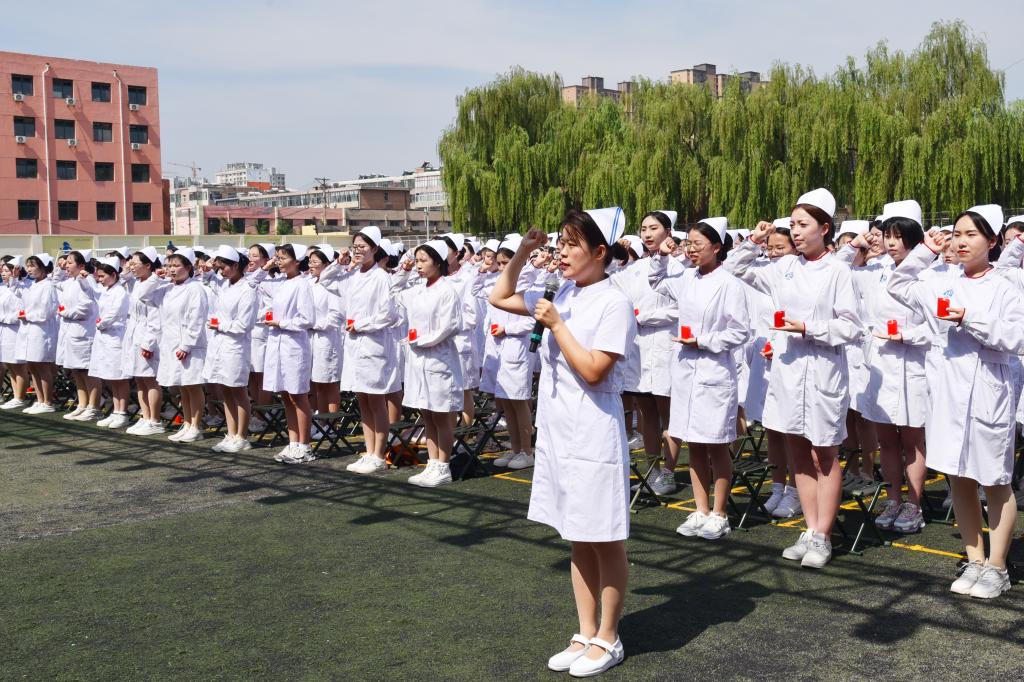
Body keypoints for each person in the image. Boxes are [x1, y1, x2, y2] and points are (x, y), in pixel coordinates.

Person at [490, 208, 634, 677]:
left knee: (603, 536)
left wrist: (557, 325)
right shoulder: (563, 291)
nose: (563, 253)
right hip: (558, 429)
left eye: (573, 244)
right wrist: (523, 252)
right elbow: (499, 295)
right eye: (561, 243)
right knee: (576, 533)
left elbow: (594, 370)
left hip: (594, 430)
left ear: (599, 252)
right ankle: (585, 630)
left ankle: (609, 637)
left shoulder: (614, 302)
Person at [888, 204, 1022, 599]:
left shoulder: (1006, 286)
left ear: (992, 241)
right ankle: (975, 559)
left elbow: (1018, 338)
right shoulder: (941, 282)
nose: (961, 242)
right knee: (958, 477)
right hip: (946, 393)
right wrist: (925, 252)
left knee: (994, 480)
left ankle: (997, 566)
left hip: (988, 392)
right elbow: (898, 285)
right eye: (957, 234)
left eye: (971, 235)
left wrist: (970, 319)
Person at [730, 189, 863, 569]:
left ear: (825, 228)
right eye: (793, 225)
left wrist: (808, 327)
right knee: (799, 453)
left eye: (804, 225)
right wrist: (753, 240)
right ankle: (810, 527)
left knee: (825, 454)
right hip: (788, 371)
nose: (797, 232)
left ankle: (823, 535)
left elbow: (851, 327)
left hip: (823, 370)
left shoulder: (839, 271)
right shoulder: (784, 267)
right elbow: (735, 269)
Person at [650, 217, 750, 540]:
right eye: (689, 244)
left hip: (714, 371)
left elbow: (740, 331)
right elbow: (657, 282)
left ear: (716, 247)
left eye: (698, 244)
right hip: (686, 371)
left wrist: (703, 340)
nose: (691, 250)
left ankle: (719, 513)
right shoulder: (686, 278)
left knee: (717, 445)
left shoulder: (729, 284)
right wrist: (662, 256)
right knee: (693, 443)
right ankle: (700, 509)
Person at [841, 201, 930, 533]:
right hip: (879, 364)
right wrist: (855, 245)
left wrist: (908, 336)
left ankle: (914, 504)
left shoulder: (930, 274)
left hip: (912, 364)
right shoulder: (876, 272)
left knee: (912, 441)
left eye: (898, 236)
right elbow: (836, 272)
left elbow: (939, 327)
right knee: (887, 440)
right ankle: (893, 499)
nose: (890, 243)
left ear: (915, 237)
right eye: (887, 236)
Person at [392, 240, 464, 486]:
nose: (419, 266)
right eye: (417, 261)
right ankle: (432, 463)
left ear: (438, 262)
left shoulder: (447, 290)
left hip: (439, 359)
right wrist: (403, 270)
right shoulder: (418, 290)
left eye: (423, 261)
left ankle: (443, 465)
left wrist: (421, 341)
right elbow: (393, 293)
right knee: (427, 414)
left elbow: (449, 326)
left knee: (441, 415)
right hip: (419, 360)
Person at [341, 226, 402, 475]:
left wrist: (362, 325)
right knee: (362, 400)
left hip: (373, 343)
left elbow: (389, 315)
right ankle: (368, 451)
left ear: (375, 249)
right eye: (355, 246)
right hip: (355, 344)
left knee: (376, 400)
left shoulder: (381, 277)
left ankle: (379, 453)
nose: (358, 251)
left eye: (362, 247)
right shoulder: (353, 276)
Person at [261, 244, 315, 464]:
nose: (278, 262)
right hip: (278, 344)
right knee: (285, 395)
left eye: (283, 258)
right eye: (277, 258)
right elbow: (255, 282)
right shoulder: (282, 283)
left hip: (294, 346)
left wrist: (281, 323)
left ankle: (305, 446)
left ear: (297, 261)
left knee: (298, 396)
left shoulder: (302, 284)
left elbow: (307, 319)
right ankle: (293, 443)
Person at [205, 245, 258, 453]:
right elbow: (209, 281)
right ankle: (231, 433)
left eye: (224, 267)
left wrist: (220, 325)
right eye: (219, 268)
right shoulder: (225, 286)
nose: (221, 272)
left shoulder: (248, 290)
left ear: (236, 265)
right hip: (221, 343)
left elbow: (244, 324)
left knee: (238, 390)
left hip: (236, 345)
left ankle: (242, 436)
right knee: (226, 390)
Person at [152, 248, 209, 442]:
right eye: (169, 265)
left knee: (193, 386)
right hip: (171, 344)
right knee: (182, 387)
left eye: (176, 266)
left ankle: (196, 426)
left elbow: (197, 319)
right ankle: (187, 423)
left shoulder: (195, 289)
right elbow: (145, 296)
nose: (171, 269)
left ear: (189, 267)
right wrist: (156, 278)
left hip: (189, 346)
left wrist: (186, 345)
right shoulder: (168, 288)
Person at [123, 247, 170, 436]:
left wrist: (149, 343)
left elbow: (155, 318)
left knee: (150, 379)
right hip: (134, 335)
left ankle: (155, 420)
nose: (131, 267)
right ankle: (146, 416)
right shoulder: (137, 283)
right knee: (139, 379)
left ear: (148, 265)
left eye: (135, 264)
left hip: (147, 336)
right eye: (131, 263)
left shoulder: (155, 285)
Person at [57, 251, 101, 421]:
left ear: (81, 265)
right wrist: (58, 268)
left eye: (69, 262)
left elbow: (86, 308)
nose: (66, 265)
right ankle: (82, 404)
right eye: (65, 262)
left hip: (83, 332)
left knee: (87, 371)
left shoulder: (87, 281)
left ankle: (94, 406)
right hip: (71, 332)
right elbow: (55, 282)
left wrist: (66, 313)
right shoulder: (70, 282)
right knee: (76, 370)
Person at [88, 257, 132, 429]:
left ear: (113, 274)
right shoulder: (106, 290)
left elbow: (114, 313)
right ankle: (116, 410)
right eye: (98, 276)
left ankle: (122, 412)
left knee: (119, 377)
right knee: (111, 377)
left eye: (102, 276)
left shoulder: (120, 291)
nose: (99, 279)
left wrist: (101, 323)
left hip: (116, 335)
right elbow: (93, 291)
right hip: (105, 336)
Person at [15, 254, 59, 413]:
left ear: (43, 267)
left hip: (42, 330)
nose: (29, 269)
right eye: (28, 266)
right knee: (32, 365)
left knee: (42, 366)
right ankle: (40, 400)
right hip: (29, 329)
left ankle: (47, 402)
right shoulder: (33, 285)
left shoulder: (48, 286)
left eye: (32, 266)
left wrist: (28, 316)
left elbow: (46, 312)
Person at [0, 256, 30, 410]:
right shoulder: (3, 288)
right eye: (2, 271)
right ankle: (15, 395)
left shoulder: (21, 288)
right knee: (10, 366)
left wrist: (4, 318)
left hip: (15, 330)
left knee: (18, 365)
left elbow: (19, 310)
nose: (3, 273)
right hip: (4, 330)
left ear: (15, 272)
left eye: (7, 271)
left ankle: (20, 397)